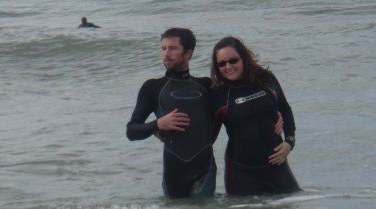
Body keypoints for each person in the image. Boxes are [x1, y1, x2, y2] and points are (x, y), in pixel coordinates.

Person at [126, 28, 216, 198]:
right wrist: (158, 124)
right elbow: (131, 131)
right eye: (163, 48)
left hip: (204, 169)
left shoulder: (206, 85)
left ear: (188, 53)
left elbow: (229, 114)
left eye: (173, 48)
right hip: (174, 171)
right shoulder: (152, 87)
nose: (166, 54)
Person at [211, 36, 301, 196]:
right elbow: (208, 137)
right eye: (222, 64)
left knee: (293, 207)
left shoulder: (266, 79)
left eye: (233, 61)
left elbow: (285, 110)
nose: (228, 67)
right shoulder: (218, 93)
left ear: (244, 58)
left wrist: (289, 142)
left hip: (277, 165)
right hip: (241, 172)